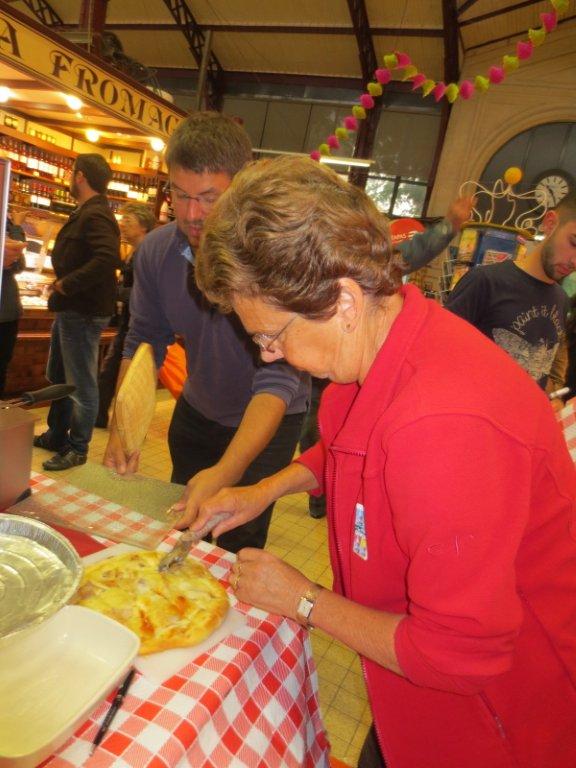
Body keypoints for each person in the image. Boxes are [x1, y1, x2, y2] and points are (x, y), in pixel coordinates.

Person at [191, 156, 576, 768]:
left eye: (272, 336)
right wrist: (264, 490)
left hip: (498, 723)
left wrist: (304, 599)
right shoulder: (385, 343)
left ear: (343, 300)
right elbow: (347, 450)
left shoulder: (443, 425)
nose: (269, 355)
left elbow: (459, 656)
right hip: (410, 687)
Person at [103, 112, 309, 553]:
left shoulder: (274, 258)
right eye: (180, 195)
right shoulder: (156, 252)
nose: (192, 214)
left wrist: (227, 471)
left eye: (208, 198)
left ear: (239, 188)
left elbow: (278, 379)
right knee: (182, 532)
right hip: (197, 411)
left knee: (235, 543)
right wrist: (122, 423)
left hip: (269, 421)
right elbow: (144, 341)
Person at [300, 195, 475, 518]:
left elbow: (413, 252)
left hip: (364, 369)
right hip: (323, 376)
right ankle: (321, 496)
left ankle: (332, 493)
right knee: (317, 428)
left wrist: (450, 224)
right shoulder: (308, 264)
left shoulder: (370, 264)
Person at [33, 154, 120, 470]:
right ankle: (57, 434)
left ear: (80, 176)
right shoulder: (88, 211)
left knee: (82, 384)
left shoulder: (95, 214)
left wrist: (66, 284)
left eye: (72, 173)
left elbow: (107, 258)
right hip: (72, 310)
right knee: (60, 375)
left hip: (82, 312)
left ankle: (78, 448)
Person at [444, 196, 576, 394]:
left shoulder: (562, 300)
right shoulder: (485, 282)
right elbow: (439, 353)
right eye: (574, 243)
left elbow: (545, 372)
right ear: (550, 224)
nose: (575, 261)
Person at [95, 202, 156, 428]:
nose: (122, 225)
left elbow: (145, 292)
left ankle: (118, 421)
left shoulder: (145, 253)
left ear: (143, 226)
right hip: (128, 322)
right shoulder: (135, 251)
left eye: (128, 221)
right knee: (113, 372)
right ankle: (103, 416)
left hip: (138, 325)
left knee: (122, 374)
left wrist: (113, 291)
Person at [0, 217, 26, 398]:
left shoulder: (8, 223)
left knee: (1, 366)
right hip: (7, 311)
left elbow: (19, 265)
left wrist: (16, 227)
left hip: (7, 313)